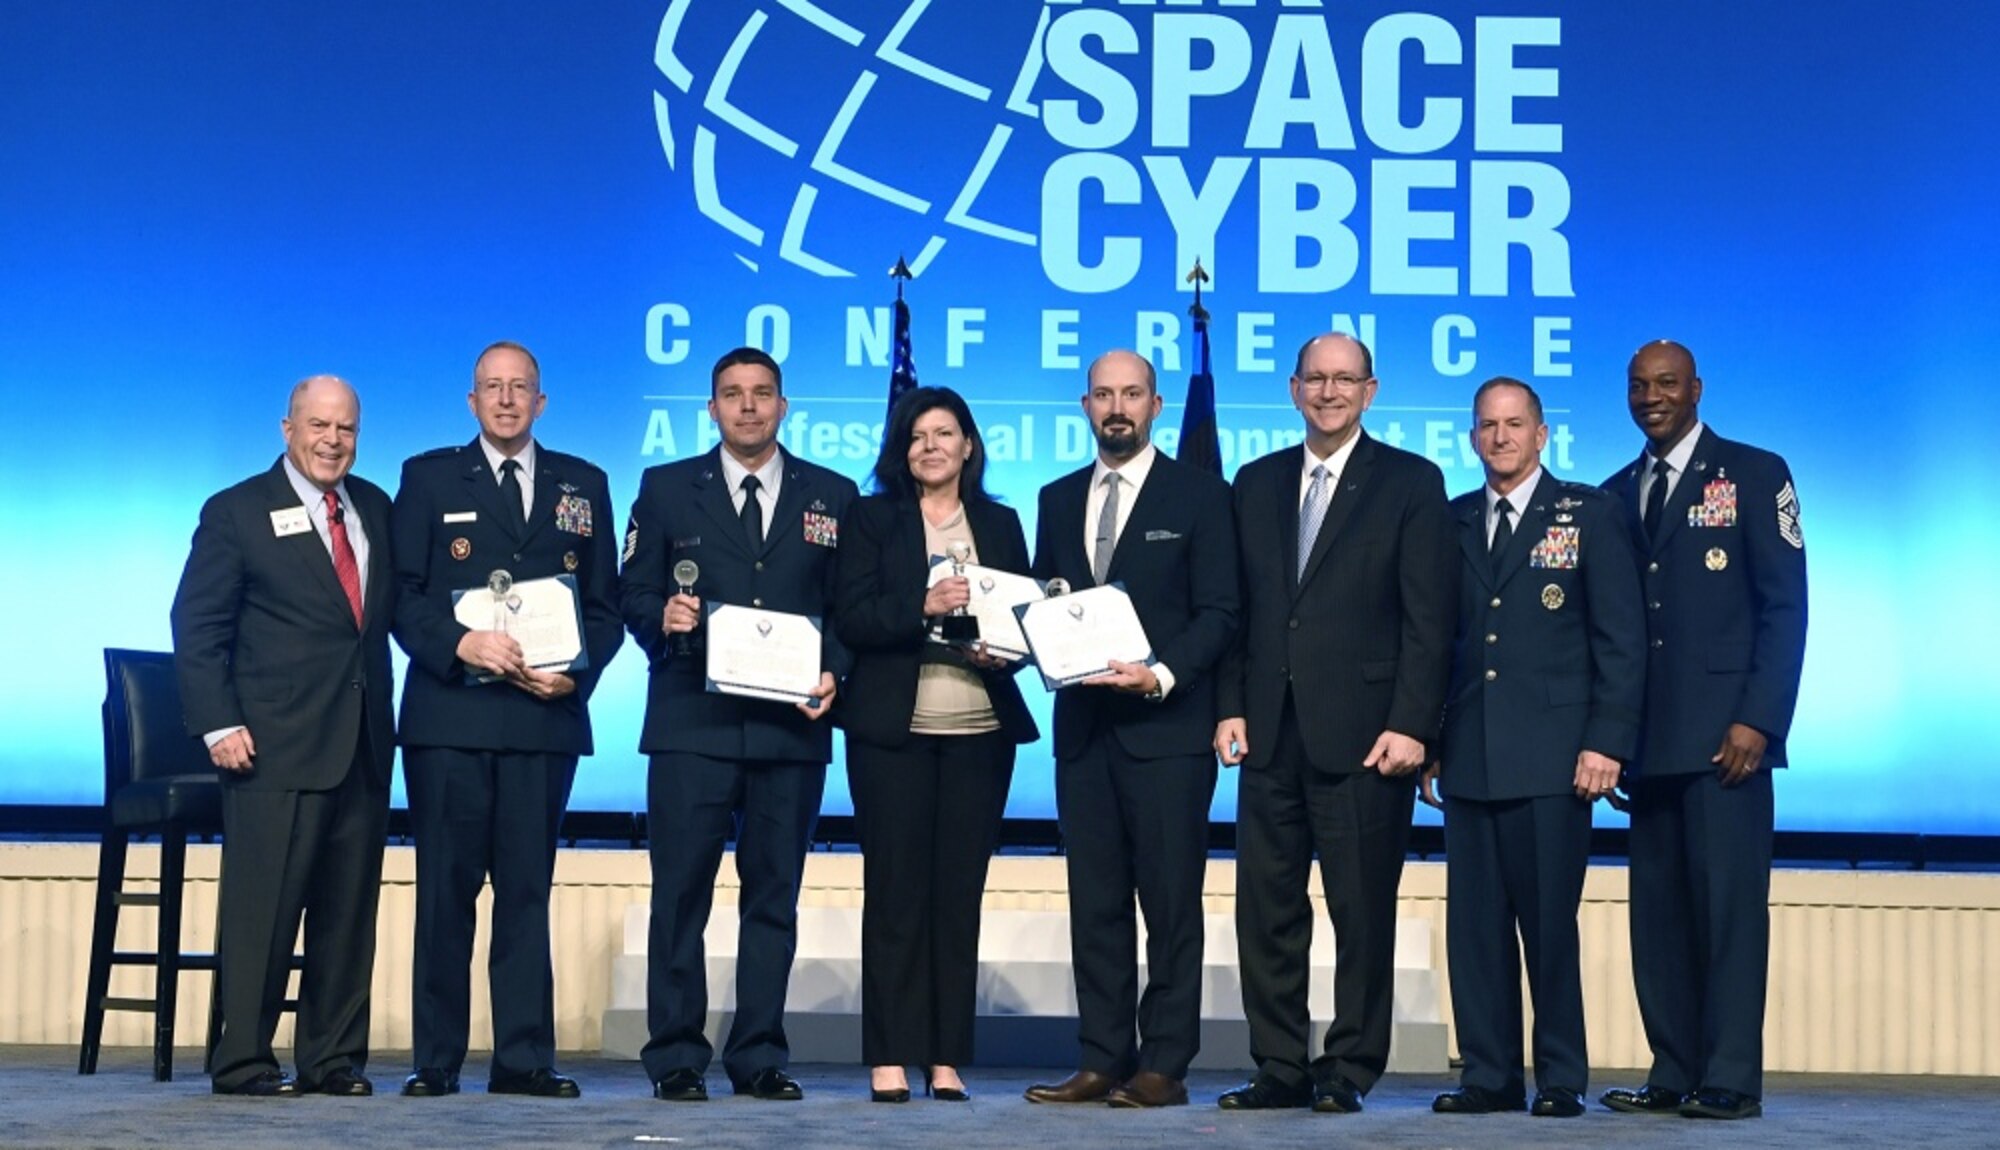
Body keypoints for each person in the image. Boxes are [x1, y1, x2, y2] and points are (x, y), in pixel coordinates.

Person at [1213, 333, 1456, 1115]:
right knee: (1268, 913)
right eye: (1315, 378)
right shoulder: (1254, 481)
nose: (1328, 391)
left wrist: (1415, 724)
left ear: (1371, 390)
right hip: (1271, 737)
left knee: (1360, 911)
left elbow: (1431, 619)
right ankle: (1280, 1064)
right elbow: (1237, 611)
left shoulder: (1413, 483)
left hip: (1367, 739)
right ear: (1292, 389)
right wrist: (1230, 704)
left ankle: (1349, 1066)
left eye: (1343, 378)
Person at [388, 341, 623, 1099]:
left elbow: (606, 609)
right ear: (471, 401)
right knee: (445, 896)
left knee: (526, 894)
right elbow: (403, 598)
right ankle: (437, 1061)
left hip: (541, 721)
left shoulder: (583, 483)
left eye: (521, 387)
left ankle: (523, 1060)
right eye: (492, 387)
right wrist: (462, 643)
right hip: (450, 719)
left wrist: (575, 676)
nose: (506, 399)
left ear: (542, 402)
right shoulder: (426, 478)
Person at [621, 346, 856, 1103]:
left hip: (790, 731)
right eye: (732, 394)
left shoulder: (835, 494)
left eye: (762, 394)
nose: (748, 407)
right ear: (712, 408)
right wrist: (661, 615)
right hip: (693, 720)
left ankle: (757, 1054)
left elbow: (852, 609)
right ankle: (677, 1056)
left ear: (784, 407)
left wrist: (837, 671)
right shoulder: (664, 490)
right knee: (680, 897)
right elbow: (629, 590)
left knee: (772, 899)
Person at [1417, 377, 1645, 1118]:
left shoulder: (1589, 514)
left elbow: (1620, 638)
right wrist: (1432, 741)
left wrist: (1607, 740)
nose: (1501, 438)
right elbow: (1443, 644)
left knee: (1548, 928)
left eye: (1515, 425)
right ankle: (1488, 1074)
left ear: (1542, 434)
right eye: (1488, 426)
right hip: (1472, 755)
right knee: (1475, 931)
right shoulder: (1450, 521)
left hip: (1555, 759)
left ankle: (1558, 1078)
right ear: (1473, 436)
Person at [1021, 350, 1239, 1110]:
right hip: (1082, 733)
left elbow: (1221, 612)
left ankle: (1164, 1065)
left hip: (1168, 731)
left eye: (1133, 394)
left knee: (1171, 906)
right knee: (1097, 905)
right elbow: (1043, 605)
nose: (1118, 406)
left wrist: (1163, 674)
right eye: (1104, 394)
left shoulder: (1203, 495)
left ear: (1155, 403)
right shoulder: (1054, 497)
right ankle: (1101, 1058)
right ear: (1086, 405)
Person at [1596, 340, 1808, 1121]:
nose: (1652, 397)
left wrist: (1759, 717)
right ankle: (1671, 1070)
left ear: (1696, 389)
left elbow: (1786, 606)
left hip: (1728, 743)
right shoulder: (1616, 492)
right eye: (1639, 386)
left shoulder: (1756, 472)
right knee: (1658, 921)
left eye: (1667, 384)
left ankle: (1728, 1078)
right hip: (1648, 746)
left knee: (1727, 917)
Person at [170, 375, 395, 1097]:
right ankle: (244, 1060)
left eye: (347, 429)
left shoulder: (378, 509)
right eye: (319, 426)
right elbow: (197, 625)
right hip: (270, 743)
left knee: (347, 913)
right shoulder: (237, 511)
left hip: (360, 742)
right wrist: (217, 721)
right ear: (288, 428)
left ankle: (332, 1059)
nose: (333, 441)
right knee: (262, 910)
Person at [833, 386, 1037, 1103]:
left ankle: (945, 1058)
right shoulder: (871, 518)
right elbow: (851, 615)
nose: (931, 446)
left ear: (969, 446)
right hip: (893, 732)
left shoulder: (1002, 523)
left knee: (958, 898)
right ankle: (889, 1055)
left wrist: (1004, 651)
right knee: (894, 895)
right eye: (918, 435)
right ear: (903, 448)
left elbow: (1026, 623)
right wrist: (918, 607)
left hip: (981, 734)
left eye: (944, 434)